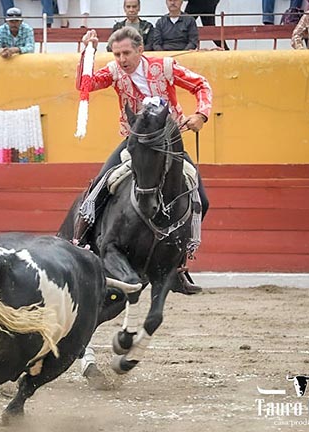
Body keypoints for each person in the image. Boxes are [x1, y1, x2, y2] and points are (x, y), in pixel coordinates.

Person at [75, 26, 212, 293]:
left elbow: (201, 85)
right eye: (116, 54)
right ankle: (79, 243)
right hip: (135, 143)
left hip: (168, 145)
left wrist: (201, 115)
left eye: (126, 53)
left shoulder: (166, 67)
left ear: (140, 50)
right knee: (99, 187)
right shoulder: (114, 72)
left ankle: (176, 266)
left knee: (201, 199)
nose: (121, 60)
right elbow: (85, 85)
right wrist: (86, 52)